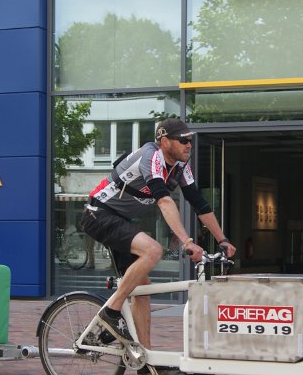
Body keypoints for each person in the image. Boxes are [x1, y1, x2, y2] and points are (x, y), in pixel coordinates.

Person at [80, 118, 236, 349]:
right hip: (98, 213)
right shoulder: (150, 156)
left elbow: (199, 204)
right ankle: (111, 314)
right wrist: (187, 241)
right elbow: (163, 201)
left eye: (190, 140)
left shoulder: (180, 166)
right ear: (164, 141)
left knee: (142, 289)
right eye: (183, 140)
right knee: (153, 249)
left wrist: (222, 239)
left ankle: (146, 357)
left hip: (119, 220)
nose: (189, 145)